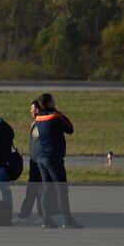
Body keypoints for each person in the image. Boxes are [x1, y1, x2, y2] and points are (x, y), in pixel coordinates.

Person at [35, 93, 81, 229]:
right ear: (49, 102)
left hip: (41, 157)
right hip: (53, 158)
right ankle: (68, 220)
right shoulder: (56, 116)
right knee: (61, 189)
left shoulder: (38, 117)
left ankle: (46, 219)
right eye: (53, 100)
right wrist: (59, 113)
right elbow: (70, 128)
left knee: (47, 189)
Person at [17, 100, 45, 221]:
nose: (30, 111)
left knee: (40, 190)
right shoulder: (34, 123)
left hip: (40, 161)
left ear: (37, 110)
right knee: (31, 189)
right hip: (33, 161)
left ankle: (42, 215)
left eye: (32, 108)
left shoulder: (42, 124)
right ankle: (25, 214)